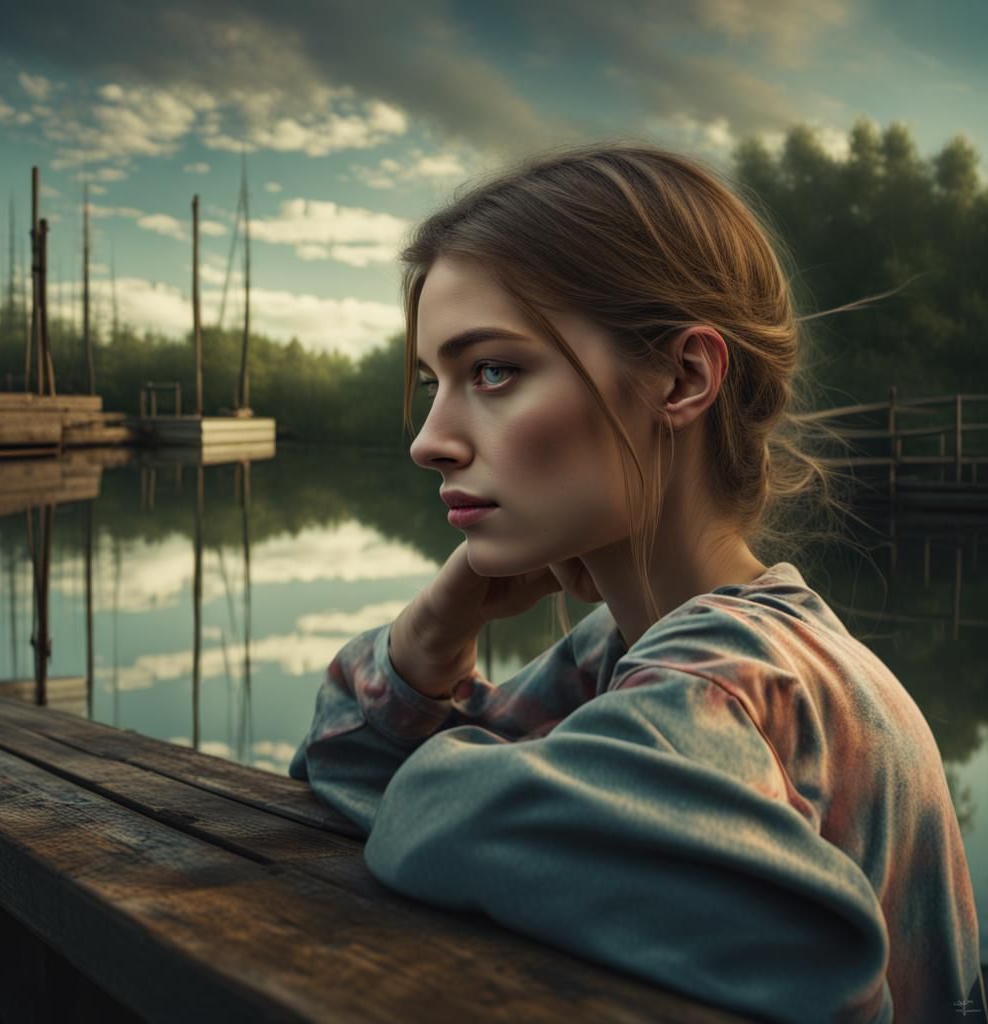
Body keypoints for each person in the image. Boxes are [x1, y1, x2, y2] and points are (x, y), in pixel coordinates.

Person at [289, 142, 983, 1022]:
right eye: (435, 383)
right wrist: (430, 638)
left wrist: (436, 785)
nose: (429, 439)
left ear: (684, 378)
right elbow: (345, 771)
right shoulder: (636, 652)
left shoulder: (726, 678)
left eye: (493, 371)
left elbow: (816, 954)